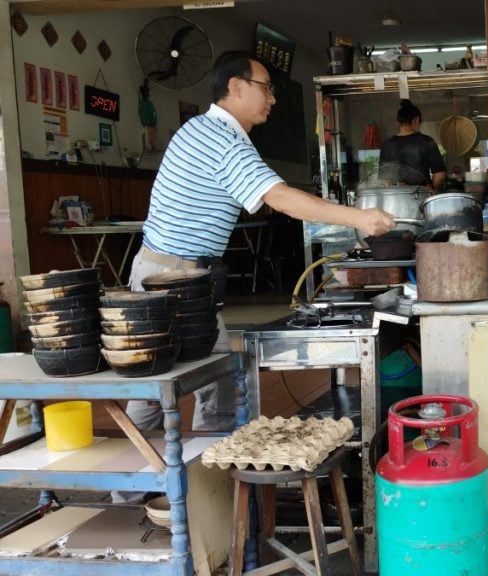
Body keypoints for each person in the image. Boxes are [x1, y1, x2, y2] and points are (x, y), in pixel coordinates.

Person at [121, 50, 395, 453]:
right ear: (235, 87)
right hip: (171, 280)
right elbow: (279, 197)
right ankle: (153, 490)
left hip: (180, 275)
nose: (273, 98)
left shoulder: (204, 130)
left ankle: (198, 488)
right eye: (265, 88)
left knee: (200, 385)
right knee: (167, 389)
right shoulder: (220, 138)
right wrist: (358, 218)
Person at [378, 99, 447, 190]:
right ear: (417, 120)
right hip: (421, 196)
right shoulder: (426, 141)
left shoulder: (387, 145)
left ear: (398, 122)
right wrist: (430, 190)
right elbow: (440, 175)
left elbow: (385, 180)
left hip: (397, 198)